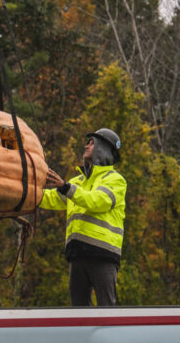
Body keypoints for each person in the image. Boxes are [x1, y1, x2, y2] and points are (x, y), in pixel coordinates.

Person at [41, 128, 126, 307]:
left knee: (106, 310)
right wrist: (25, 195)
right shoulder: (78, 182)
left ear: (104, 148)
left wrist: (66, 187)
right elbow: (50, 199)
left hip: (102, 254)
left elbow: (97, 201)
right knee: (78, 313)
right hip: (77, 254)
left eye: (92, 142)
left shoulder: (115, 180)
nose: (86, 145)